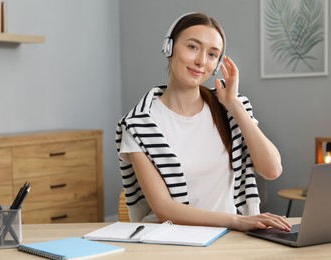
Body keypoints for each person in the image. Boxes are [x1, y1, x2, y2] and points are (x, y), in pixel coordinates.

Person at [115, 12, 291, 232]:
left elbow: (272, 169)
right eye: (192, 47)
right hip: (172, 241)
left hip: (228, 240)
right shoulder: (138, 125)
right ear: (169, 48)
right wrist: (235, 220)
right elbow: (164, 210)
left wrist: (234, 105)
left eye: (212, 54)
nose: (201, 61)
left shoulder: (231, 109)